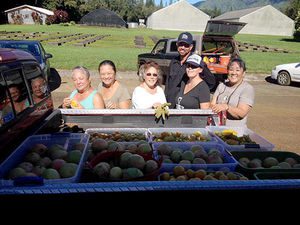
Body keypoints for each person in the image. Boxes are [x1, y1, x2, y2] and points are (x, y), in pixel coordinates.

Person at [165, 31, 216, 108]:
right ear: (177, 44)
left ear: (191, 47)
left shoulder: (196, 63)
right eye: (180, 44)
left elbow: (211, 82)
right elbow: (168, 83)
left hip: (184, 105)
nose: (183, 47)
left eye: (186, 45)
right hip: (170, 105)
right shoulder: (173, 62)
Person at [210, 58, 255, 127]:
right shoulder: (221, 86)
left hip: (235, 132)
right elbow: (212, 105)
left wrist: (226, 107)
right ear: (227, 71)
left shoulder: (247, 88)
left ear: (243, 73)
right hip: (216, 129)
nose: (234, 73)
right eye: (231, 69)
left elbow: (242, 113)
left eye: (237, 70)